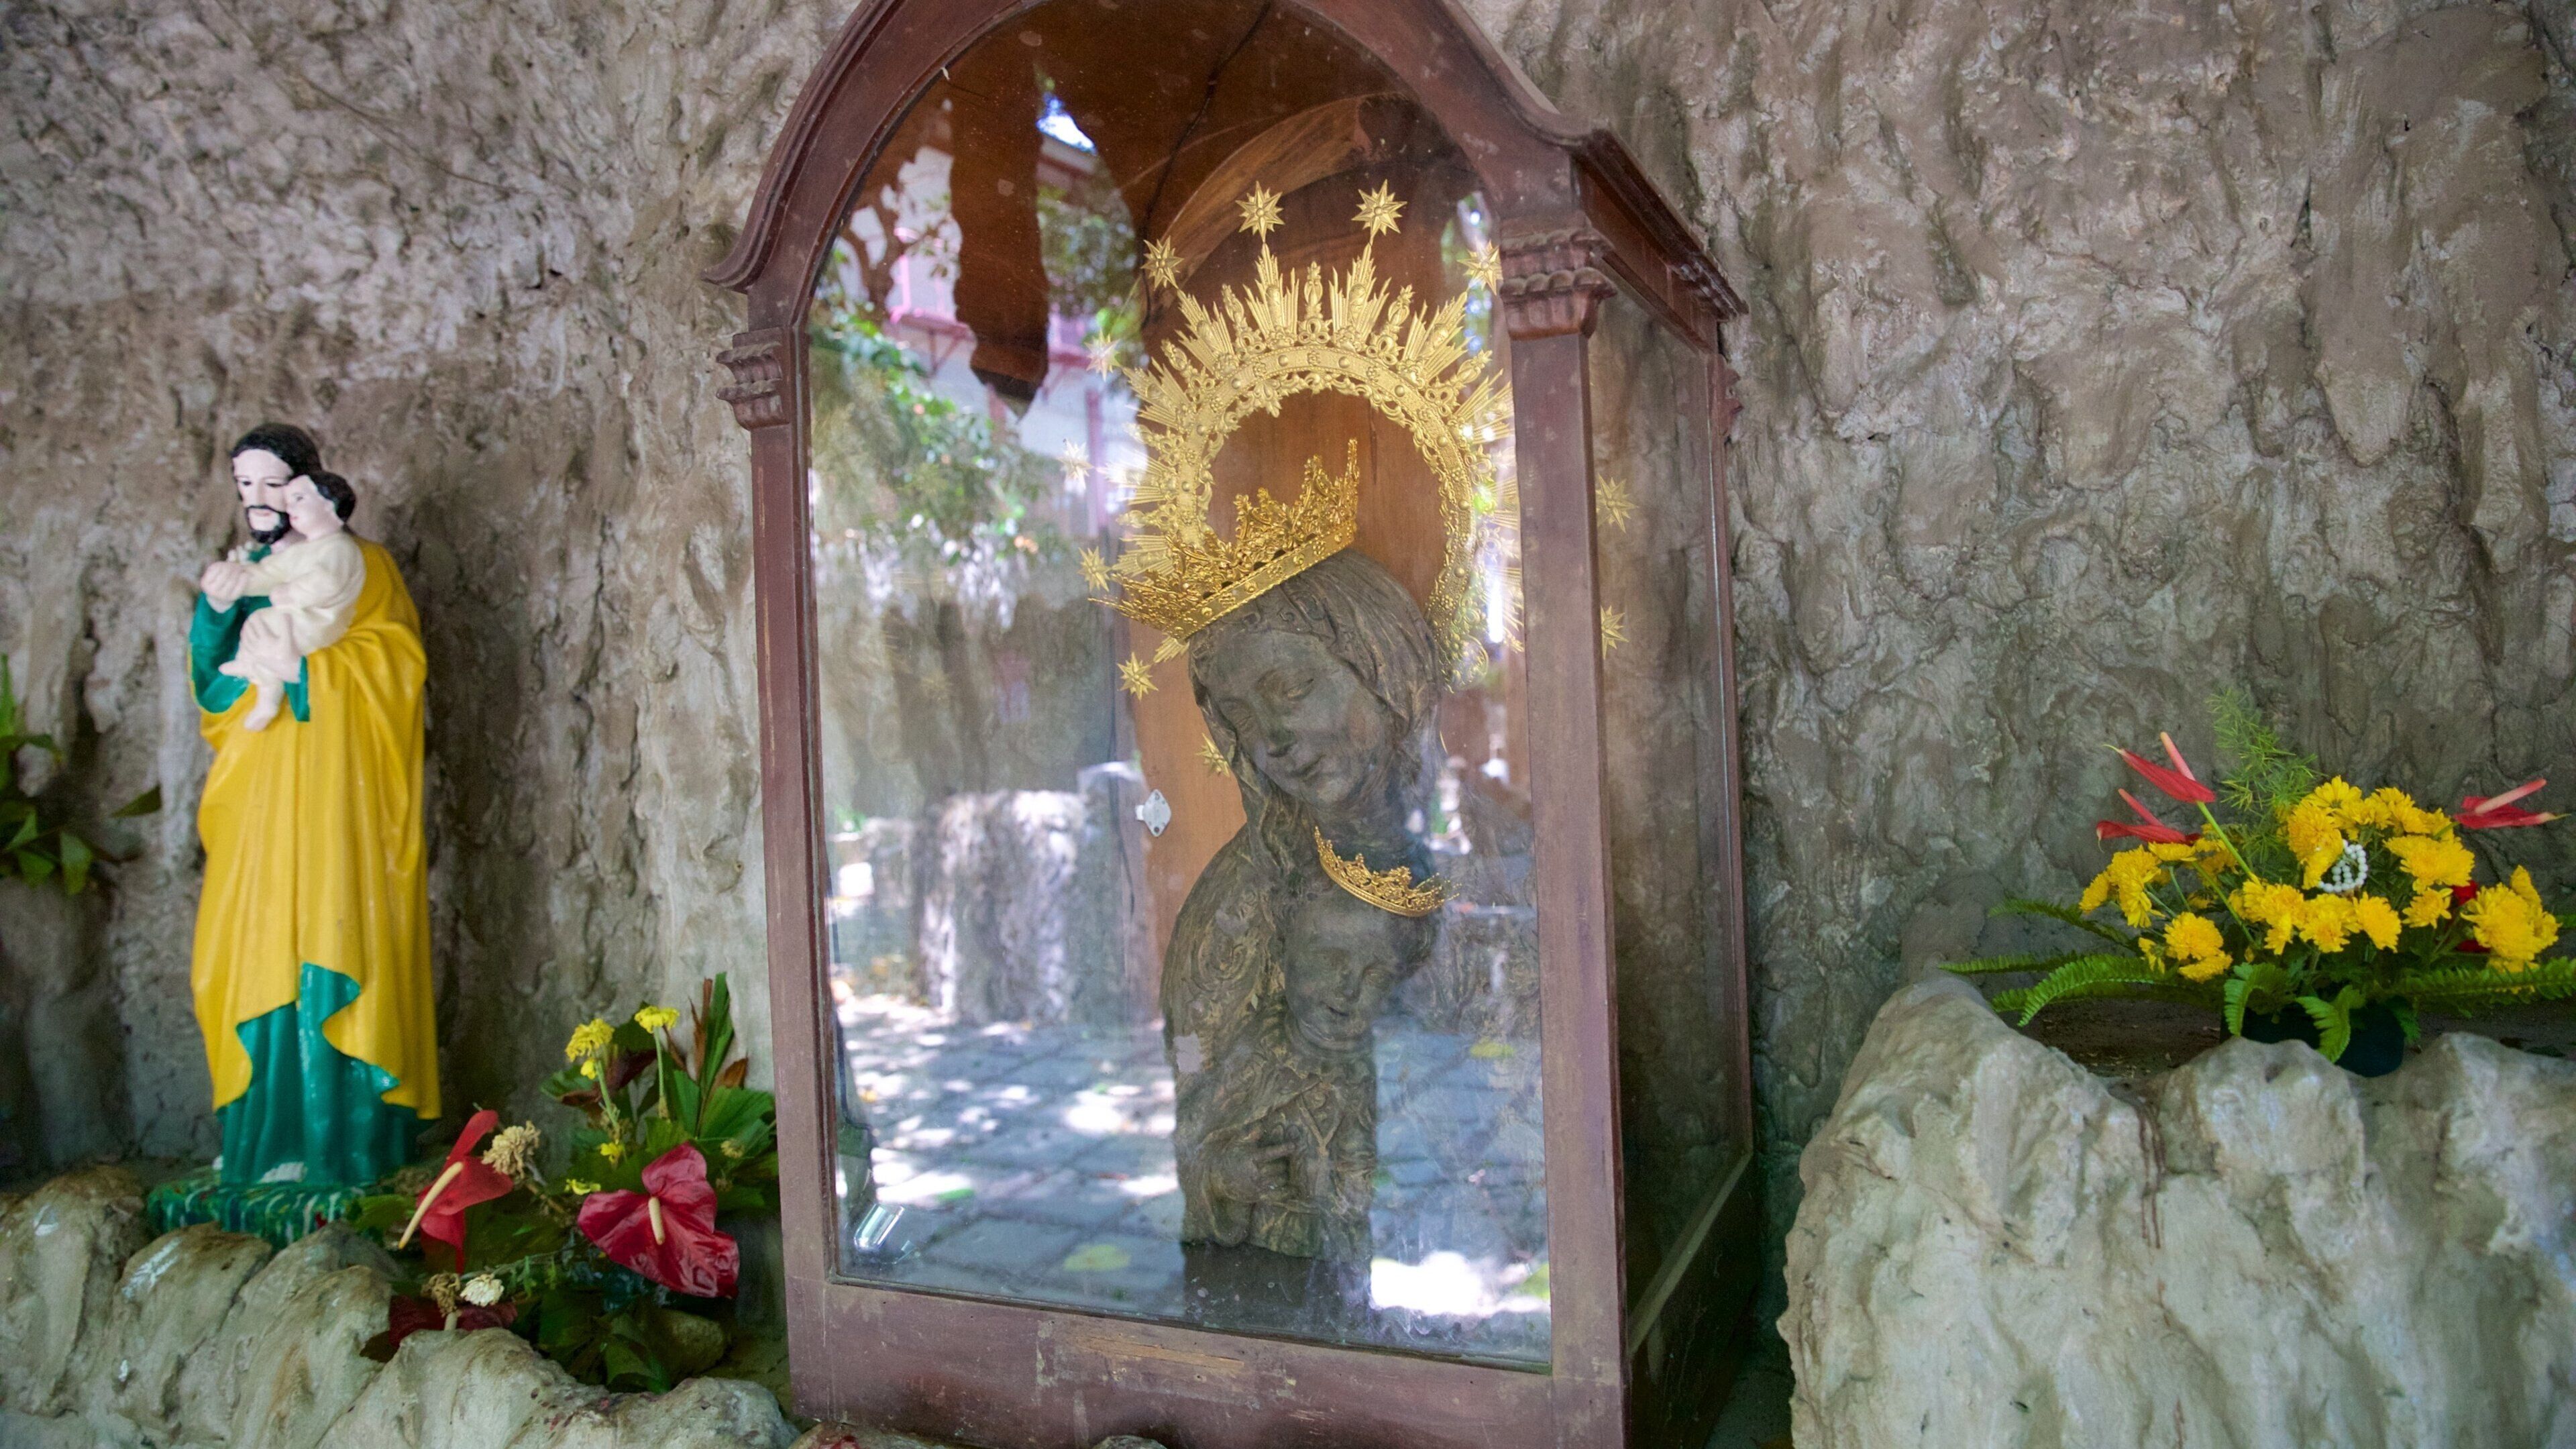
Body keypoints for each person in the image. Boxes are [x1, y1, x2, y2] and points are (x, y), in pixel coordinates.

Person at [190, 423, 437, 1188]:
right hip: (260, 789)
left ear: (305, 483)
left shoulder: (363, 565)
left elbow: (397, 663)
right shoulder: (247, 571)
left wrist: (306, 672)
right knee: (245, 942)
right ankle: (263, 1138)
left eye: (272, 483)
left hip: (336, 790)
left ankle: (341, 1144)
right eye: (246, 487)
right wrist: (215, 608)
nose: (259, 500)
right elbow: (212, 682)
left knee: (334, 928)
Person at [215, 472, 363, 732]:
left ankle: (264, 681)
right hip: (297, 617)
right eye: (245, 483)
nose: (289, 507)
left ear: (329, 506)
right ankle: (260, 681)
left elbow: (326, 583)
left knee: (271, 631)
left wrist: (290, 592)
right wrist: (239, 580)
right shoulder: (306, 550)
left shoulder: (341, 548)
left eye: (298, 499)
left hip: (319, 622)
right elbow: (271, 572)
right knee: (259, 623)